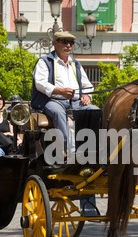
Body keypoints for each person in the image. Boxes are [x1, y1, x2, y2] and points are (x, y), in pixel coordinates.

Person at [32, 31, 99, 159]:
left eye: (71, 43)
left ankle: (91, 150)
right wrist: (59, 91)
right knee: (58, 112)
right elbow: (40, 83)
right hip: (52, 100)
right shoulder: (45, 61)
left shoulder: (76, 64)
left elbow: (88, 86)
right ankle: (67, 151)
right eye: (65, 42)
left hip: (75, 102)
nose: (68, 45)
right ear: (55, 43)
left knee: (94, 111)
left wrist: (87, 96)